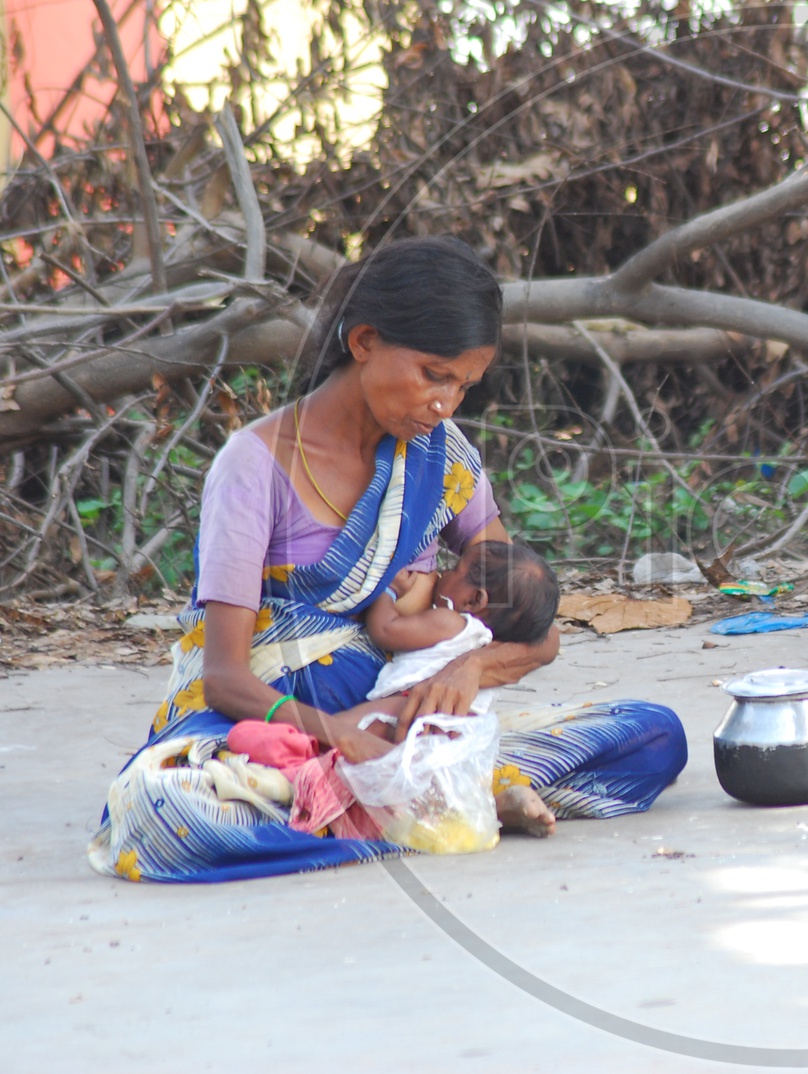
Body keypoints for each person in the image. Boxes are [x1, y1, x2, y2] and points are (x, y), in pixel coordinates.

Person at [89, 236, 687, 883]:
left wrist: (471, 665)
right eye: (435, 374)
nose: (447, 404)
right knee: (161, 807)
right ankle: (437, 808)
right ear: (365, 341)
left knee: (652, 735)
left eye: (464, 385)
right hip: (267, 732)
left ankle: (391, 804)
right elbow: (225, 678)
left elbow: (536, 632)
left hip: (400, 725)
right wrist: (338, 735)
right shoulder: (254, 466)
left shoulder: (442, 454)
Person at [361, 541, 561, 718]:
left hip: (409, 705)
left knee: (346, 725)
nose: (445, 572)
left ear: (474, 601)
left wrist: (388, 591)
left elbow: (385, 631)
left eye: (455, 568)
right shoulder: (485, 640)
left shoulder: (448, 622)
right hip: (458, 720)